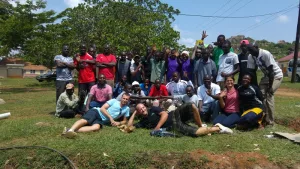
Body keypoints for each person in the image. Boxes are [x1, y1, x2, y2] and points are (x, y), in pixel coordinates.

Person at [62, 93, 131, 138]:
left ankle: (69, 130)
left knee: (96, 128)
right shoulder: (114, 101)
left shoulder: (127, 109)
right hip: (96, 112)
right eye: (123, 98)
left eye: (126, 99)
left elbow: (125, 121)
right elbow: (102, 108)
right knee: (85, 121)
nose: (124, 100)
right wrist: (111, 118)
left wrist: (119, 123)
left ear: (128, 100)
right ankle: (71, 130)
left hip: (101, 120)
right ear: (121, 98)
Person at [247, 44, 283, 126]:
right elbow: (251, 71)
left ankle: (270, 121)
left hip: (276, 75)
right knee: (260, 96)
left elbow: (271, 72)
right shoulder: (251, 56)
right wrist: (254, 85)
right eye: (249, 51)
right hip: (266, 76)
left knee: (269, 95)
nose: (251, 52)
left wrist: (270, 87)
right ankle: (264, 118)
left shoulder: (265, 54)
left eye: (252, 50)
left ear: (256, 47)